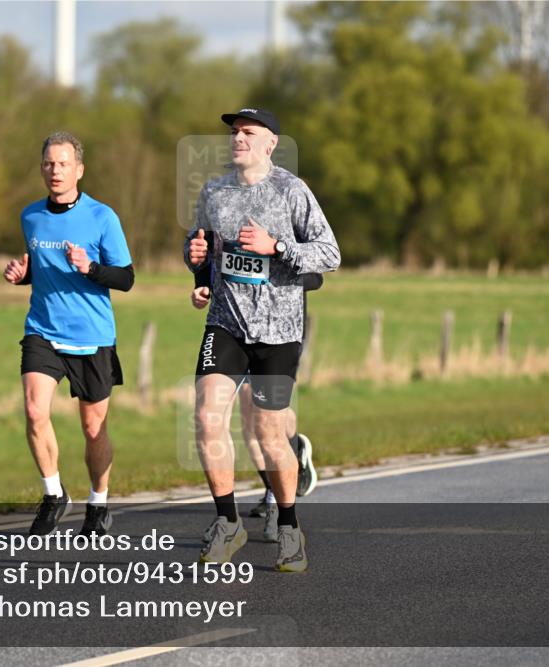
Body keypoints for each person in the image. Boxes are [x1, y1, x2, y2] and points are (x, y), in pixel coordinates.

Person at [185, 108, 340, 572]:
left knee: (271, 434)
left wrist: (276, 247)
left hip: (278, 331)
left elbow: (329, 253)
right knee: (207, 416)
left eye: (248, 133)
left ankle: (290, 527)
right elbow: (207, 251)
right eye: (234, 132)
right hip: (226, 322)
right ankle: (228, 522)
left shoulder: (291, 191)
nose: (238, 139)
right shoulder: (214, 192)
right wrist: (198, 268)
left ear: (270, 144)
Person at [3, 131, 134, 539]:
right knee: (34, 410)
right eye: (48, 164)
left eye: (63, 164)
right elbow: (41, 274)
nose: (55, 170)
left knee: (93, 429)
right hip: (42, 330)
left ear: (79, 169)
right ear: (42, 168)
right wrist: (23, 276)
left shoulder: (102, 217)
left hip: (92, 335)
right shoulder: (30, 216)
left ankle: (98, 502)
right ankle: (54, 493)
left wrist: (91, 269)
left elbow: (126, 278)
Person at [191, 262, 321, 544]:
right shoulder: (221, 217)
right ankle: (232, 515)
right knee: (241, 422)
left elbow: (316, 274)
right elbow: (203, 250)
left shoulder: (291, 217)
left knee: (265, 422)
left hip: (280, 328)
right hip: (234, 327)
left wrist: (271, 265)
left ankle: (281, 492)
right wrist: (202, 277)